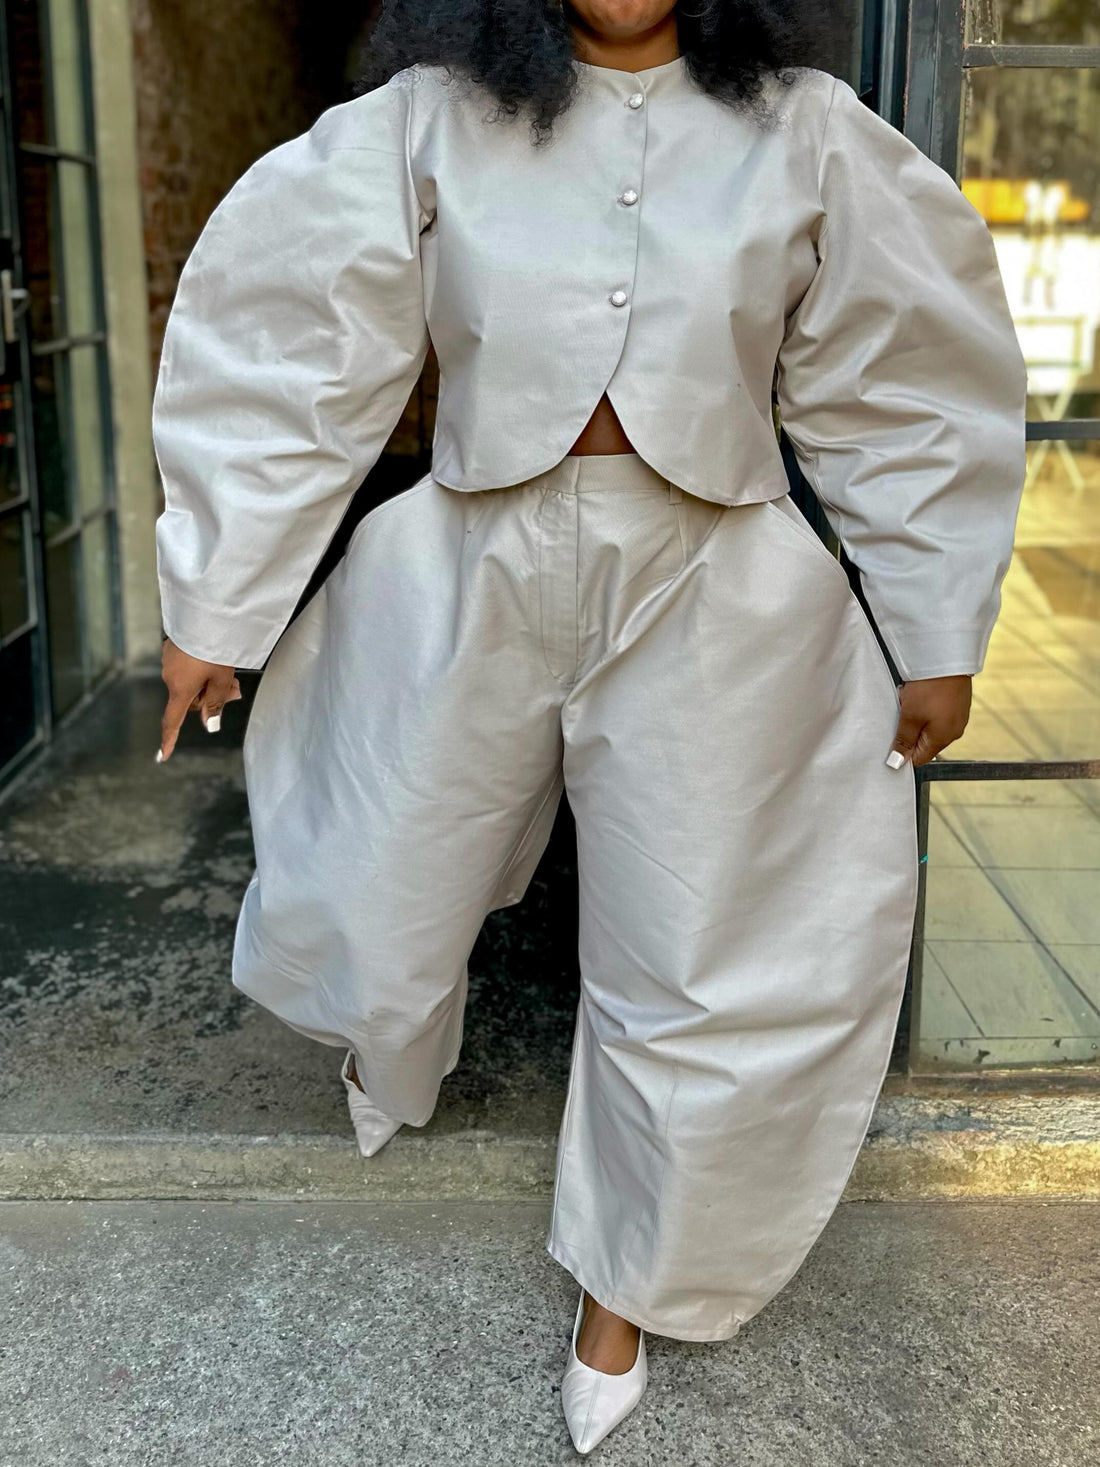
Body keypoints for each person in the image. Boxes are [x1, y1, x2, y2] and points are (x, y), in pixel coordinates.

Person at [151, 0, 1027, 1453]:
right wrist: (217, 599)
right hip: (468, 557)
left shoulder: (804, 130)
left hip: (718, 580)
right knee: (379, 860)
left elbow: (903, 375)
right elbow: (296, 341)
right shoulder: (434, 117)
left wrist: (933, 625)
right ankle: (392, 1044)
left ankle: (626, 1282)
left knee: (699, 940)